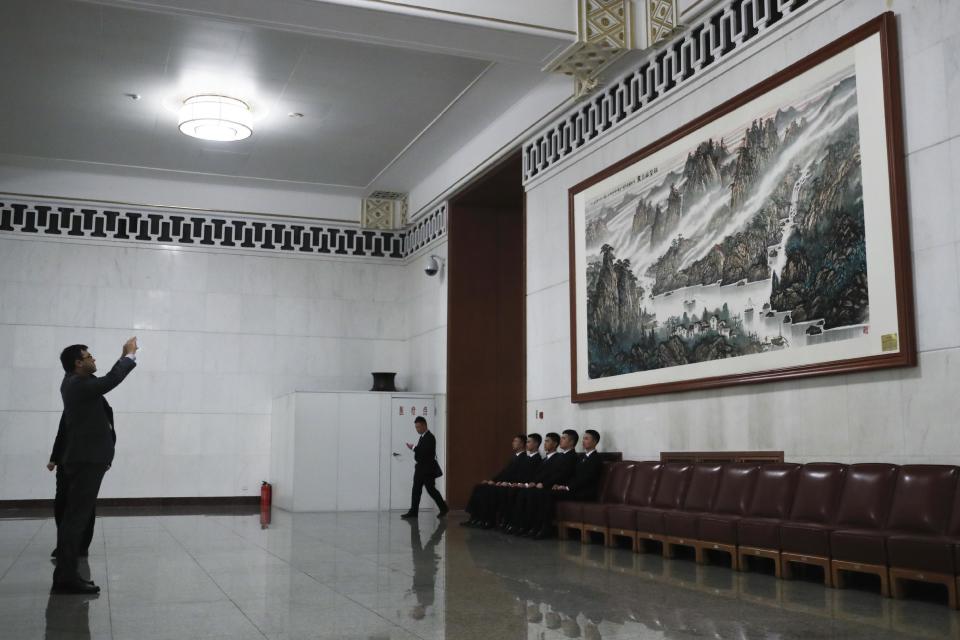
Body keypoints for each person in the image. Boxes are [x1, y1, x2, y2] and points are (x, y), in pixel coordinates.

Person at [52, 338, 138, 594]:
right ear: (78, 363)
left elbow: (103, 380)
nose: (93, 359)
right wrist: (129, 356)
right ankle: (66, 578)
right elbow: (110, 380)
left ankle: (66, 575)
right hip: (86, 460)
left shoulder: (76, 382)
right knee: (75, 519)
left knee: (74, 518)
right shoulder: (78, 384)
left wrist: (122, 356)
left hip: (85, 459)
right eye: (89, 357)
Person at [528, 429, 603, 539]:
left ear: (595, 442)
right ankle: (536, 526)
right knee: (544, 492)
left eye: (587, 439)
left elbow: (586, 478)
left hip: (585, 492)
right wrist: (560, 485)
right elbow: (573, 475)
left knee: (548, 494)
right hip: (574, 489)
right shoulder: (581, 457)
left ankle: (546, 529)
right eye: (583, 438)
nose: (583, 441)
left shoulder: (596, 458)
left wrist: (567, 487)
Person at [507, 431, 576, 535]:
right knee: (523, 492)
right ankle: (521, 525)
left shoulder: (571, 457)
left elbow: (562, 474)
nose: (544, 443)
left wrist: (545, 484)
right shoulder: (558, 457)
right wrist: (532, 483)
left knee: (539, 494)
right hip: (549, 484)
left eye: (564, 438)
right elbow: (541, 474)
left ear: (571, 442)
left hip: (559, 486)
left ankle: (541, 528)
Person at [48, 413, 96, 561]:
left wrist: (106, 460)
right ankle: (64, 544)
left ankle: (82, 546)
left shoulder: (102, 406)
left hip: (88, 464)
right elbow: (61, 432)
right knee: (61, 503)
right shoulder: (70, 405)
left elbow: (109, 434)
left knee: (86, 505)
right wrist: (54, 458)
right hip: (65, 462)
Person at [462, 433, 526, 528]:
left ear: (522, 444)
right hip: (502, 483)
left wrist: (506, 483)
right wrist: (492, 480)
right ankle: (475, 518)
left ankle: (487, 520)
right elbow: (503, 473)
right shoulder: (514, 457)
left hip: (510, 485)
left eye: (515, 441)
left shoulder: (524, 458)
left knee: (489, 492)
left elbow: (518, 475)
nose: (513, 443)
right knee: (479, 487)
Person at [401, 416, 448, 519]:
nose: (417, 429)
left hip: (427, 470)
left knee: (431, 490)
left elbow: (424, 452)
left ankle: (444, 508)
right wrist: (416, 450)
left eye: (418, 427)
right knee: (416, 490)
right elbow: (420, 452)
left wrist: (413, 447)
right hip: (420, 469)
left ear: (424, 425)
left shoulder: (430, 437)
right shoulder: (422, 437)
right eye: (416, 427)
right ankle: (413, 512)